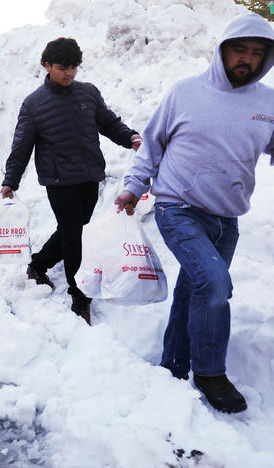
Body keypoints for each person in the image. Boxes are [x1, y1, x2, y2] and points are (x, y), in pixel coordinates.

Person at [115, 13, 274, 414]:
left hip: (227, 220)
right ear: (222, 50)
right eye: (240, 49)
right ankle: (209, 373)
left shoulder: (268, 103)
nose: (248, 59)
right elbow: (152, 146)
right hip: (178, 209)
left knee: (194, 290)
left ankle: (172, 365)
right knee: (215, 283)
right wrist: (134, 187)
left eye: (258, 53)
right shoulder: (184, 93)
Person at [1, 37, 142, 324]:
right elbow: (21, 146)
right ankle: (80, 296)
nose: (70, 73)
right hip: (59, 181)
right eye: (63, 68)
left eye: (74, 67)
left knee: (74, 230)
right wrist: (10, 180)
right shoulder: (34, 104)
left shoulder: (88, 93)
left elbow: (108, 123)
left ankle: (38, 265)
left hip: (89, 176)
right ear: (47, 65)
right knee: (74, 235)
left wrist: (130, 137)